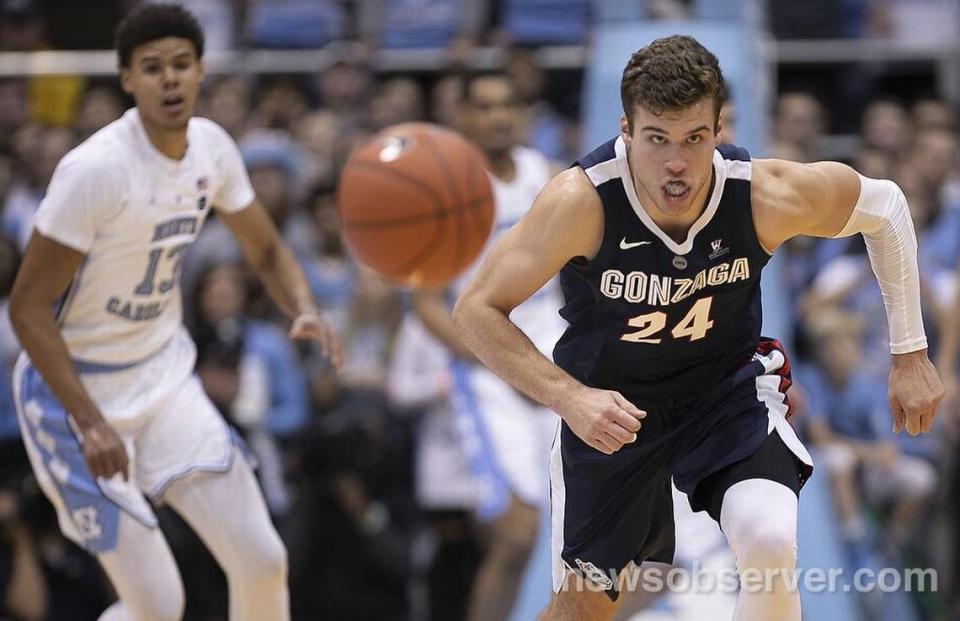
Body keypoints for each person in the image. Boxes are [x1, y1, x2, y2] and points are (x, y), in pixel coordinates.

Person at [452, 35, 943, 621]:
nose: (677, 163)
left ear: (719, 128)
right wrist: (570, 398)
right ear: (626, 131)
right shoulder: (580, 203)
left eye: (695, 138)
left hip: (724, 395)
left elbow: (885, 208)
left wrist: (910, 352)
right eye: (657, 138)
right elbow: (475, 310)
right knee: (584, 609)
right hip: (612, 412)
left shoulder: (761, 194)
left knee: (767, 540)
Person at [7, 5, 340, 621]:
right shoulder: (96, 170)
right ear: (127, 79)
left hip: (162, 379)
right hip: (71, 397)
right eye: (152, 68)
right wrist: (90, 423)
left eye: (181, 65)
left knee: (262, 559)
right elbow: (27, 309)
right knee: (156, 604)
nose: (169, 79)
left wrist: (304, 307)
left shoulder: (211, 148)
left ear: (200, 72)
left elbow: (265, 246)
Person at [413, 70, 564, 621]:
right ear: (463, 117)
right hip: (486, 370)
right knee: (515, 537)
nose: (498, 116)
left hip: (555, 356)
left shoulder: (547, 177)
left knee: (606, 538)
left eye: (508, 104)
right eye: (484, 106)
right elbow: (428, 304)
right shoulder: (444, 192)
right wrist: (509, 367)